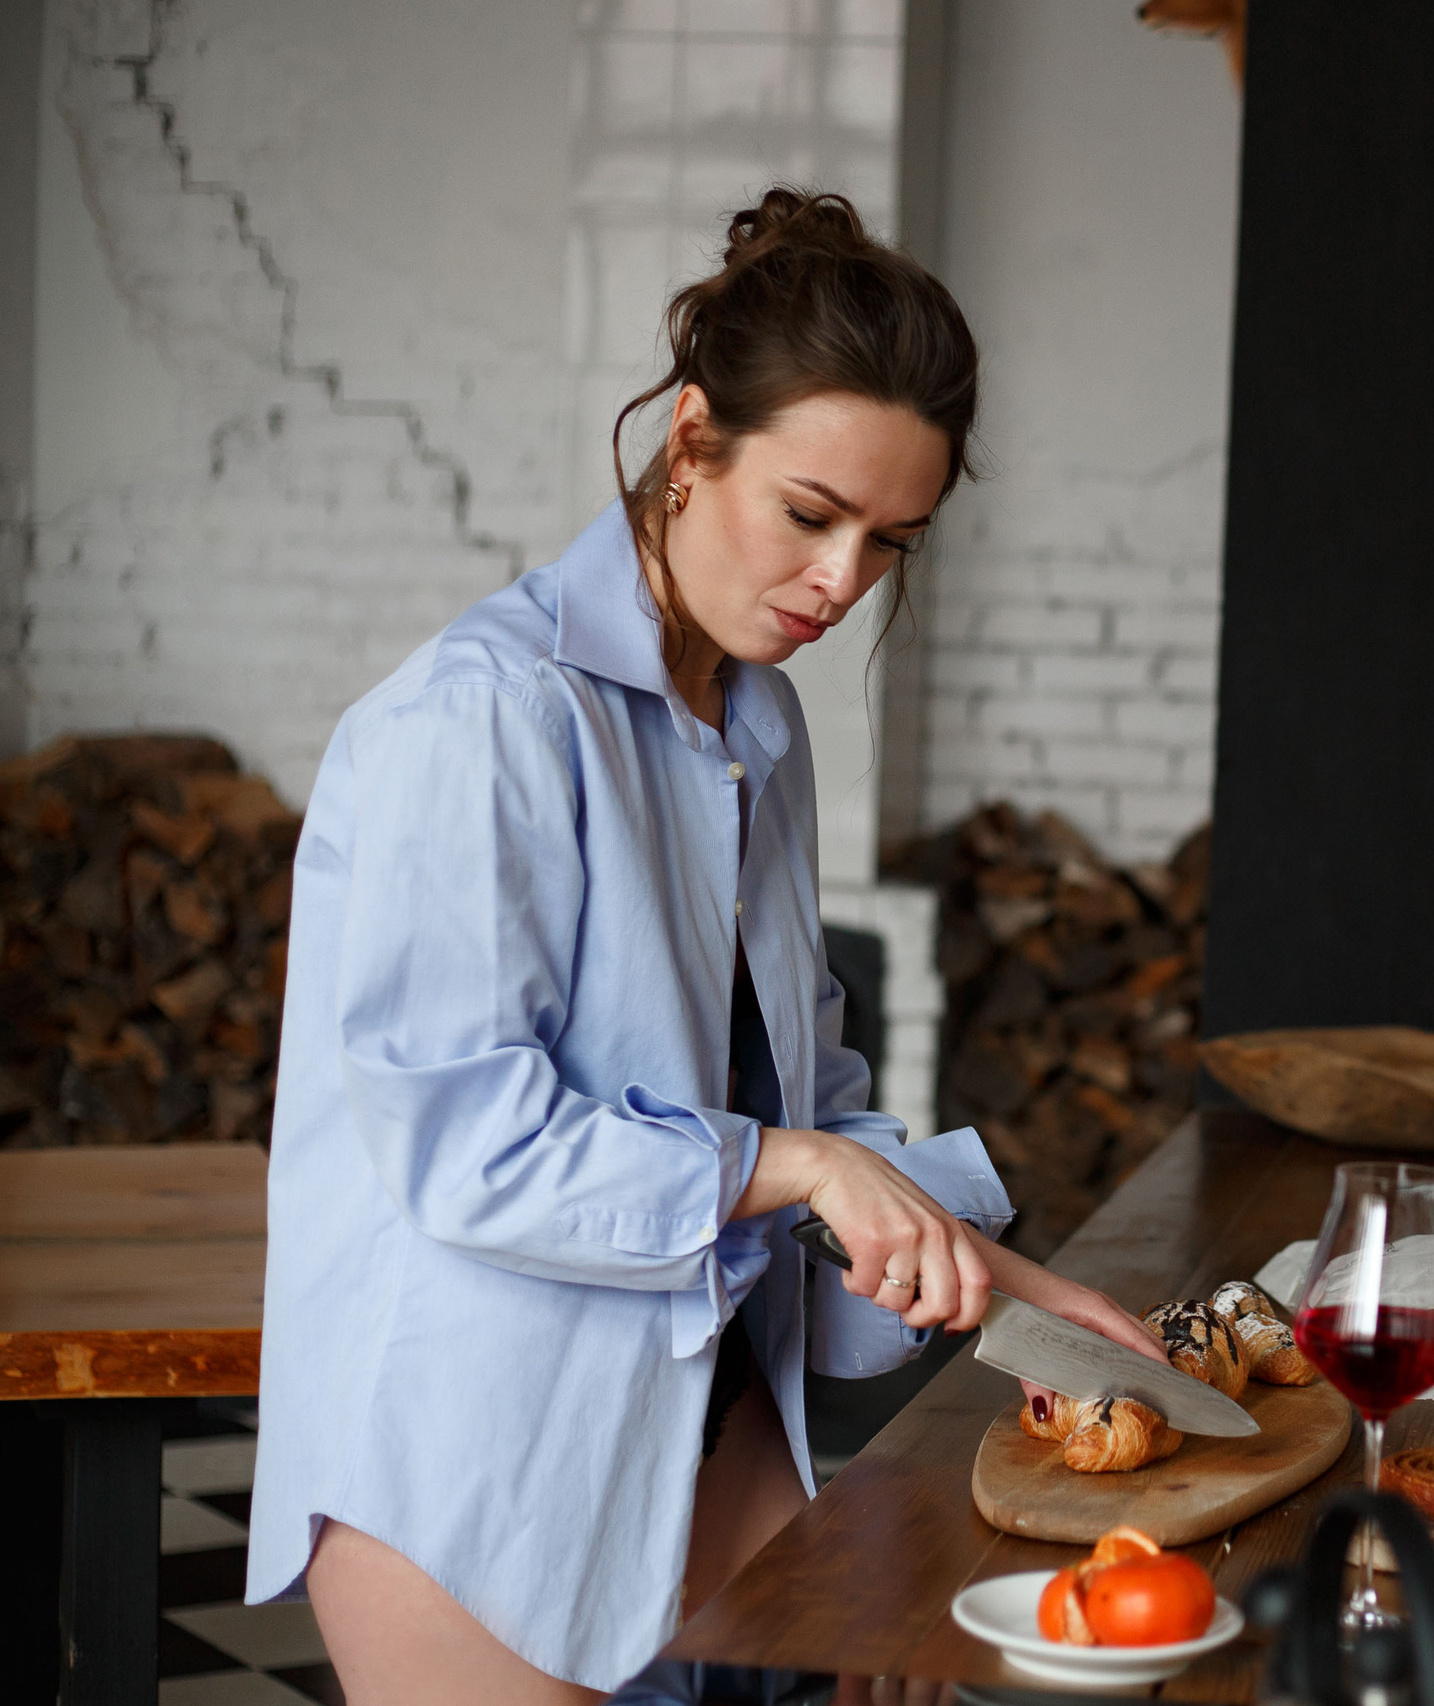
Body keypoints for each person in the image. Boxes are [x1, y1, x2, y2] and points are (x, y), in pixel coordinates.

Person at [244, 189, 1166, 1703]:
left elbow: (806, 1096)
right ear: (691, 443)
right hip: (473, 1456)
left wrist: (1008, 1283)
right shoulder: (482, 717)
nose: (840, 583)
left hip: (698, 1419)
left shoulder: (759, 720)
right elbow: (474, 1143)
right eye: (812, 515)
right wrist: (798, 1168)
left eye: (891, 542)